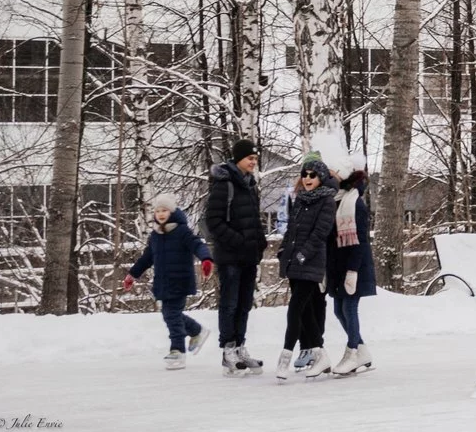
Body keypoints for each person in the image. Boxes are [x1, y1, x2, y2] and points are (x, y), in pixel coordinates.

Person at [123, 193, 214, 370]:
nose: (161, 214)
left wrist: (206, 259)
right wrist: (132, 275)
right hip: (163, 281)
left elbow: (198, 245)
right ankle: (197, 331)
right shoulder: (156, 235)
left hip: (180, 280)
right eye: (158, 211)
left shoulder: (182, 231)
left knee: (171, 315)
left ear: (172, 212)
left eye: (165, 210)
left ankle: (177, 350)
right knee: (170, 314)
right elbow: (147, 258)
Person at [206, 138, 268, 376]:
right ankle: (228, 350)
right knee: (230, 304)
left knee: (244, 304)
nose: (254, 162)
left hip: (248, 257)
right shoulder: (225, 184)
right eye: (250, 158)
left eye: (255, 158)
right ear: (238, 159)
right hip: (231, 256)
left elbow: (253, 219)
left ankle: (240, 346)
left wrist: (259, 242)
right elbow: (214, 221)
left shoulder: (250, 184)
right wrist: (238, 241)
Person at [275, 156, 337, 381]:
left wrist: (303, 254)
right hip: (294, 262)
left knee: (295, 309)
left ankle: (285, 357)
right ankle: (322, 356)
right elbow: (291, 231)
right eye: (305, 174)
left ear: (320, 178)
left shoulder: (327, 201)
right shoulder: (300, 200)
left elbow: (321, 233)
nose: (308, 178)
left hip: (311, 262)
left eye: (313, 175)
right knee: (308, 313)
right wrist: (284, 251)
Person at [327, 169, 377, 375]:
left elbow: (360, 240)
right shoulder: (337, 201)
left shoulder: (354, 204)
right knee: (339, 310)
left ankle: (353, 352)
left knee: (349, 308)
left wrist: (353, 270)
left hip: (354, 264)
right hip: (338, 263)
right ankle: (362, 349)